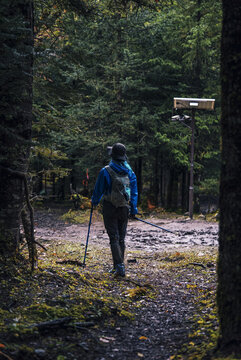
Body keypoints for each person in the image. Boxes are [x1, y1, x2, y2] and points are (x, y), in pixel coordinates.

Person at [91, 143, 138, 277]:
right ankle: (118, 266)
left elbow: (98, 190)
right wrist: (133, 208)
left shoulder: (105, 171)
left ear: (112, 156)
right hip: (124, 207)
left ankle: (119, 267)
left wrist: (94, 202)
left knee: (114, 237)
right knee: (121, 238)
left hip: (109, 207)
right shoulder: (130, 171)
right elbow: (134, 191)